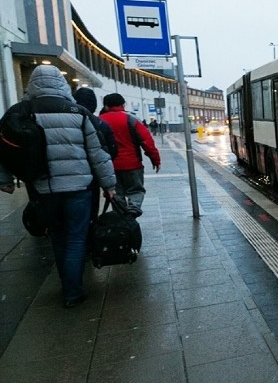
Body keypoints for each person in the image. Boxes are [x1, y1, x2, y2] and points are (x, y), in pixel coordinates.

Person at [0, 65, 116, 308]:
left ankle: (68, 287)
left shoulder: (21, 111)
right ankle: (73, 292)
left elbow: (5, 146)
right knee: (76, 237)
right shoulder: (78, 111)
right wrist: (109, 185)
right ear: (62, 85)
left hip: (44, 188)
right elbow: (98, 154)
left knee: (58, 236)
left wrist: (6, 180)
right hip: (79, 186)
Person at [99, 93, 161, 217]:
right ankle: (133, 209)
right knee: (136, 190)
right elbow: (146, 141)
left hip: (109, 166)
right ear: (123, 104)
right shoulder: (131, 119)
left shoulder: (98, 121)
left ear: (106, 106)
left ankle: (121, 218)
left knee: (117, 193)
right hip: (132, 164)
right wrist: (155, 159)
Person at [73, 87, 118, 221]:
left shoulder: (65, 120)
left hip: (55, 181)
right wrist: (107, 184)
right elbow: (110, 153)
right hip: (91, 178)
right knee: (89, 215)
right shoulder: (100, 124)